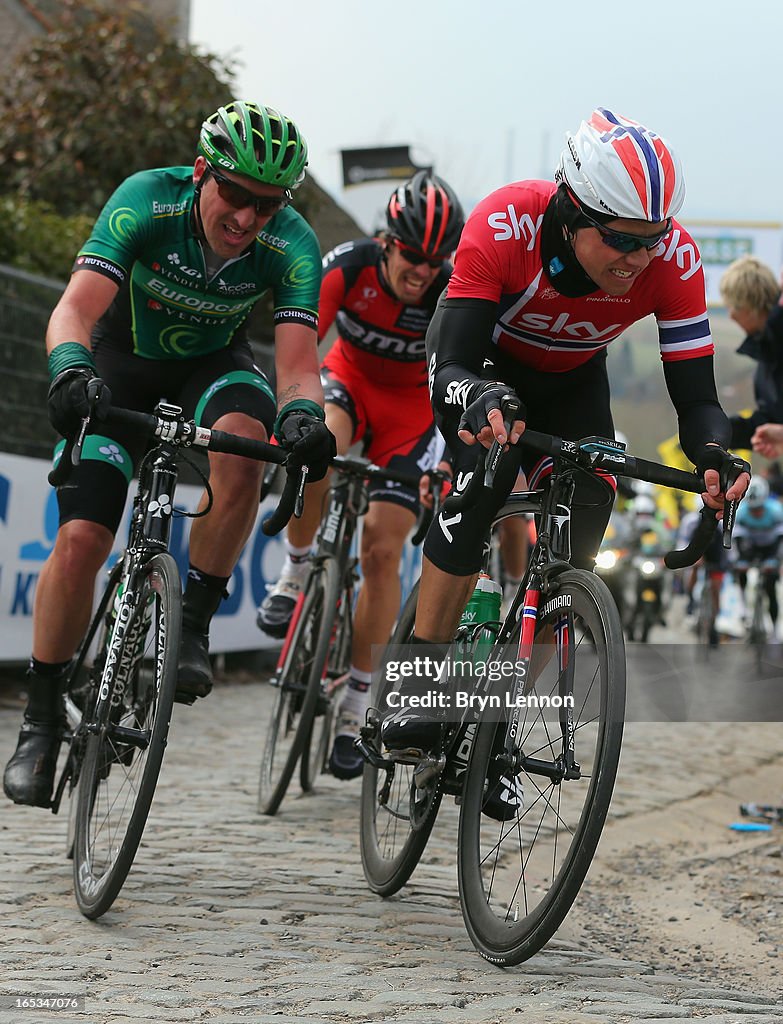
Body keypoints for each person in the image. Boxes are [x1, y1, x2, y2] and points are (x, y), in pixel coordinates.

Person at [380, 107, 750, 757]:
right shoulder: (506, 222)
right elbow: (455, 361)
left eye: (652, 238)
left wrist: (715, 455)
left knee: (591, 500)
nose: (640, 257)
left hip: (574, 381)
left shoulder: (674, 259)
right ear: (574, 213)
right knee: (484, 478)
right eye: (621, 240)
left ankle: (503, 723)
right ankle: (417, 688)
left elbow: (696, 400)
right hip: (482, 365)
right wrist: (478, 397)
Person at [3, 100, 336, 809]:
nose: (248, 218)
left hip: (212, 366)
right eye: (236, 194)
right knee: (82, 540)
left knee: (248, 448)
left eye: (267, 204)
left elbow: (299, 363)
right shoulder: (146, 201)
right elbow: (75, 308)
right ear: (199, 174)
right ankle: (39, 718)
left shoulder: (292, 244)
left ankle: (191, 627)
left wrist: (306, 415)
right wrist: (68, 367)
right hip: (117, 365)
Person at [256, 171, 465, 779]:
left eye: (433, 260)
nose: (421, 272)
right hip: (347, 385)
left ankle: (355, 705)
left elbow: (455, 379)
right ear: (386, 240)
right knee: (318, 442)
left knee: (381, 552)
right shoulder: (349, 265)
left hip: (411, 417)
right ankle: (296, 572)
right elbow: (301, 346)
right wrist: (295, 412)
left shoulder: (451, 292)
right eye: (410, 255)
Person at [719, 255, 783, 449]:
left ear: (749, 306)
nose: (730, 315)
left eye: (732, 305)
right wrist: (718, 432)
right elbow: (772, 420)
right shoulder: (768, 355)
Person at [732, 476, 783, 641]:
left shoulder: (776, 510)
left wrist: (776, 560)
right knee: (741, 571)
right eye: (753, 509)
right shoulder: (741, 512)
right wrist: (740, 560)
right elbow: (737, 539)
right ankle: (743, 606)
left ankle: (774, 628)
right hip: (750, 548)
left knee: (770, 586)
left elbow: (780, 539)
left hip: (771, 548)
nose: (756, 513)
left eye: (759, 509)